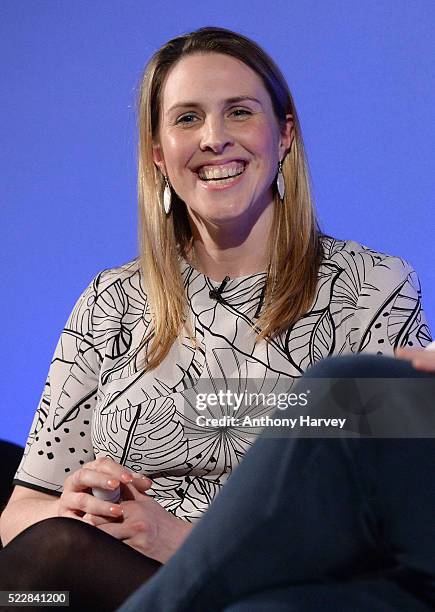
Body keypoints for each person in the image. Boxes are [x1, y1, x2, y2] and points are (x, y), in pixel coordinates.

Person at [0, 26, 432, 610]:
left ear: (284, 136)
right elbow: (19, 514)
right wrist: (70, 508)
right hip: (102, 587)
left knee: (50, 563)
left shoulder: (373, 288)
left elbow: (389, 525)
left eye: (239, 112)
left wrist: (180, 542)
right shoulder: (110, 301)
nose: (213, 138)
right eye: (186, 119)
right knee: (34, 590)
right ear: (158, 155)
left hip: (263, 595)